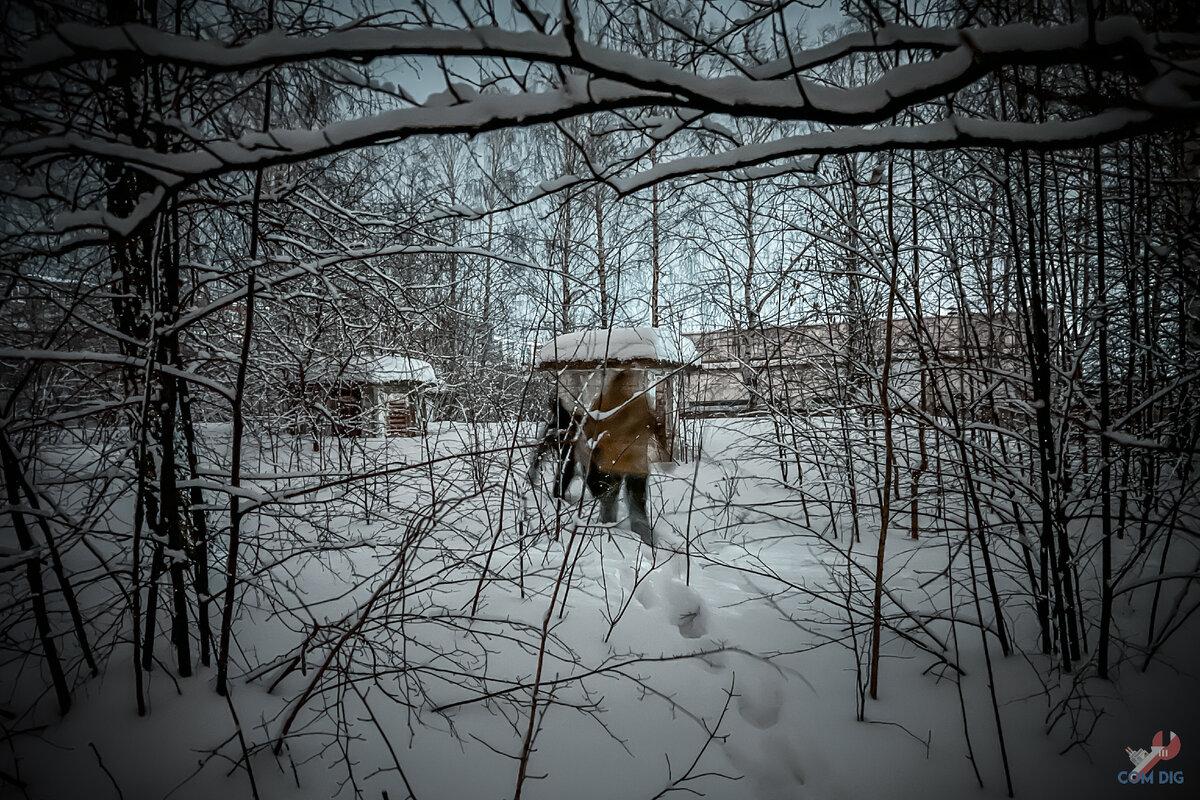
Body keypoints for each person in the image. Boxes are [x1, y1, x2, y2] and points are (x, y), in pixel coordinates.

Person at [578, 369, 670, 546]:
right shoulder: (640, 400)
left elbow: (588, 431)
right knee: (637, 506)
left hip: (610, 464)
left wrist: (597, 448)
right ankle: (645, 541)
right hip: (637, 464)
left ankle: (607, 540)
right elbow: (653, 426)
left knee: (608, 504)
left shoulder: (602, 402)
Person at [527, 394, 582, 498]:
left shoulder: (566, 412)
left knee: (567, 463)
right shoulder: (558, 418)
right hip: (563, 433)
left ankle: (558, 493)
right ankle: (558, 493)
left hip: (568, 434)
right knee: (567, 463)